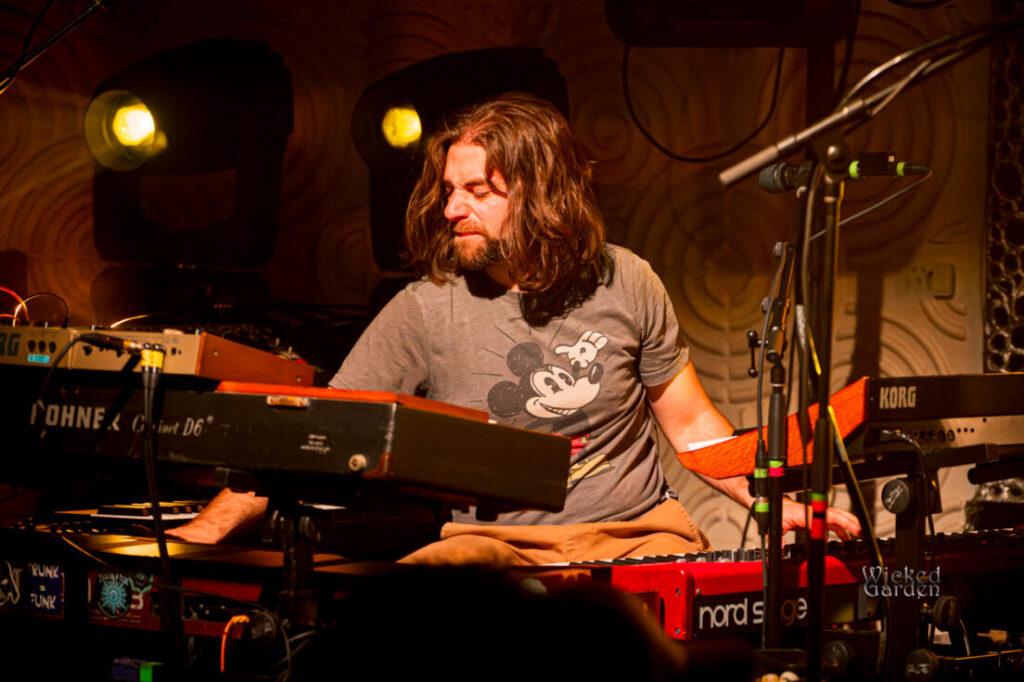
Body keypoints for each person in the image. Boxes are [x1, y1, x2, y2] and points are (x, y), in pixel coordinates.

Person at [167, 93, 860, 563]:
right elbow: (318, 435)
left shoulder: (629, 280)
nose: (451, 210)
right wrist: (204, 531)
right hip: (491, 547)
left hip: (637, 534)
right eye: (449, 190)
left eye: (477, 192)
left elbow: (692, 429)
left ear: (541, 195)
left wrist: (773, 502)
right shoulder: (424, 308)